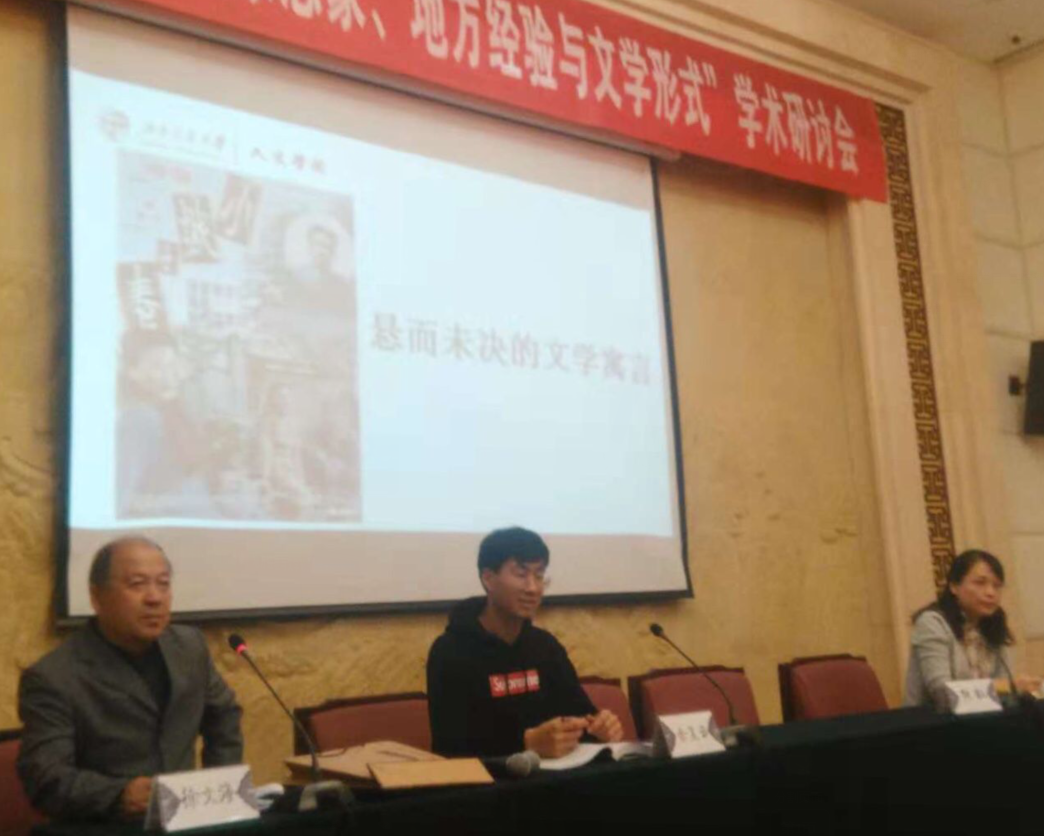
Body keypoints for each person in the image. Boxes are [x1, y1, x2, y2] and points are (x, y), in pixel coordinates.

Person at [17, 537, 243, 820]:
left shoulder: (189, 648)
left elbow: (224, 715)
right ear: (97, 597)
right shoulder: (54, 677)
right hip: (106, 825)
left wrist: (219, 787)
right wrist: (119, 795)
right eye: (137, 584)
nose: (154, 598)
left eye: (163, 584)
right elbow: (46, 779)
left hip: (186, 820)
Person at [426, 526, 624, 759]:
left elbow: (579, 715)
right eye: (521, 575)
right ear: (488, 578)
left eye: (539, 576)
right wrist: (525, 743)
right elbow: (450, 748)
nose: (533, 588)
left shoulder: (545, 647)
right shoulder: (449, 652)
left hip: (556, 776)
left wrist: (599, 727)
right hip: (488, 781)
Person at [903, 549, 1042, 708]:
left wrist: (1025, 690)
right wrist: (1009, 688)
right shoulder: (932, 623)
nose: (991, 593)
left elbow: (1006, 696)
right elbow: (942, 693)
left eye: (997, 586)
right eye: (980, 583)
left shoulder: (994, 625)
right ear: (954, 586)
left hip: (985, 719)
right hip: (934, 720)